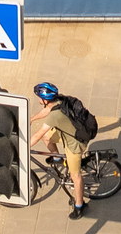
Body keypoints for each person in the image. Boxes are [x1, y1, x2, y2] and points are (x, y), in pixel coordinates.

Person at [30, 82, 96, 217]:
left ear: (45, 100)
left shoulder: (55, 116)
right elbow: (47, 111)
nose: (37, 99)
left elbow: (37, 135)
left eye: (39, 97)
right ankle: (57, 158)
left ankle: (80, 205)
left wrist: (22, 147)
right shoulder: (59, 100)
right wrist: (31, 119)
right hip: (67, 132)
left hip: (75, 144)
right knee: (47, 138)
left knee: (75, 176)